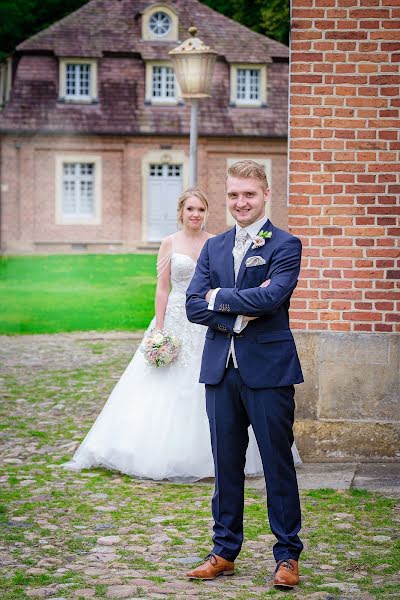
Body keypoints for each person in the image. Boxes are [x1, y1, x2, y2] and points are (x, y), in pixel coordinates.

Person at [62, 188, 296, 480]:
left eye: (200, 210)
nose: (195, 215)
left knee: (210, 384)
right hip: (176, 316)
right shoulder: (169, 243)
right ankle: (160, 453)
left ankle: (215, 456)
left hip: (210, 321)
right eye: (190, 209)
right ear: (181, 212)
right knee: (166, 386)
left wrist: (223, 301)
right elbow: (163, 287)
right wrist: (159, 329)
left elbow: (226, 287)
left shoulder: (217, 243)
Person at [185, 161, 304, 589]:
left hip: (269, 372)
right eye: (234, 195)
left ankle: (287, 555)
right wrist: (235, 315)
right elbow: (193, 306)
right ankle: (224, 551)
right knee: (225, 465)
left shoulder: (286, 245)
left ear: (265, 194)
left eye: (249, 194)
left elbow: (272, 297)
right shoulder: (214, 246)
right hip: (220, 371)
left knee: (277, 464)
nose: (241, 202)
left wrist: (220, 297)